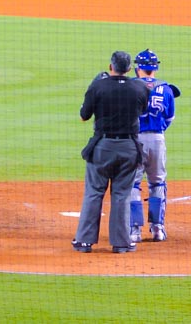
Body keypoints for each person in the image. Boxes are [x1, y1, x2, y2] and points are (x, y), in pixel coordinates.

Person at [72, 50, 150, 253]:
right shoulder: (139, 88)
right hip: (129, 148)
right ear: (130, 69)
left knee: (94, 192)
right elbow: (141, 111)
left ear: (110, 66)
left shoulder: (98, 86)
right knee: (122, 195)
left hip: (102, 147)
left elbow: (83, 116)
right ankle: (121, 243)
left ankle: (84, 241)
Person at [128, 49, 176, 244]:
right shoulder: (166, 89)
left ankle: (134, 231)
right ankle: (158, 229)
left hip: (135, 139)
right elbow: (169, 118)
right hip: (157, 139)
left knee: (133, 183)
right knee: (157, 183)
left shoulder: (130, 87)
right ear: (155, 68)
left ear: (138, 67)